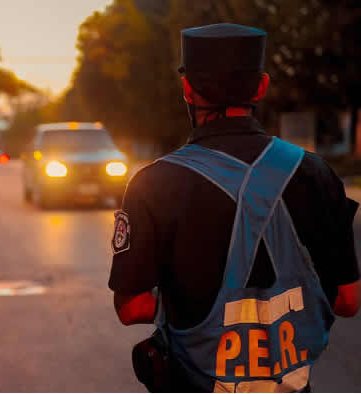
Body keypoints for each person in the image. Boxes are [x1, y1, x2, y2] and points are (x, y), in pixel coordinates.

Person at [109, 23, 361, 392]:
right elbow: (348, 300)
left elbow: (130, 309)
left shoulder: (152, 184)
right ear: (261, 87)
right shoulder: (315, 174)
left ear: (187, 90)